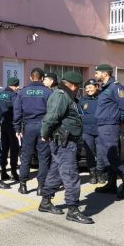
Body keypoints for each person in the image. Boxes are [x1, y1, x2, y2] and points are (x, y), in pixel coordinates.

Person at [39, 71, 94, 224]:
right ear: (74, 85)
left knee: (56, 172)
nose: (79, 89)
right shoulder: (61, 95)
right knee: (70, 175)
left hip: (66, 141)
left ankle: (45, 202)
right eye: (78, 87)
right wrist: (45, 134)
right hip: (64, 142)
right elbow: (51, 117)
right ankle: (73, 209)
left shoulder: (67, 95)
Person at [93, 64, 124, 199]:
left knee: (112, 156)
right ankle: (111, 184)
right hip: (102, 126)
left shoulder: (116, 87)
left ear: (105, 74)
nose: (95, 75)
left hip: (110, 126)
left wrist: (121, 122)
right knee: (105, 157)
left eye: (97, 72)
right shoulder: (105, 88)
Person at [13, 68, 52, 195]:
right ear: (42, 78)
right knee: (43, 157)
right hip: (43, 126)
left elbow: (17, 111)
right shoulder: (48, 92)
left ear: (31, 77)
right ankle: (41, 186)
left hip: (28, 127)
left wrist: (17, 128)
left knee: (26, 156)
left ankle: (23, 185)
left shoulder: (22, 92)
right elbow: (52, 112)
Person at [79, 78, 106, 184]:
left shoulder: (103, 98)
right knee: (89, 154)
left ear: (97, 87)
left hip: (100, 130)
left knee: (101, 153)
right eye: (86, 88)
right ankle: (93, 175)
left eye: (90, 87)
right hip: (87, 131)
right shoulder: (83, 100)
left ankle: (100, 174)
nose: (88, 90)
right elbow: (79, 114)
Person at [0, 77, 20, 181]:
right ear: (15, 86)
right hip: (12, 124)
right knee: (14, 149)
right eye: (17, 86)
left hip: (3, 124)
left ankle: (3, 171)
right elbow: (17, 110)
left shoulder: (0, 94)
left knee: (4, 148)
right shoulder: (14, 95)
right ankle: (14, 172)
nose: (18, 88)